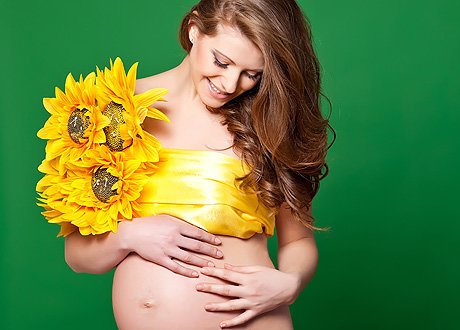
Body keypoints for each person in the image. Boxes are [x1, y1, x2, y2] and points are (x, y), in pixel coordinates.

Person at [64, 0, 333, 328]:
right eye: (222, 61)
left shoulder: (268, 123)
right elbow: (77, 256)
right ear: (194, 30)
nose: (231, 84)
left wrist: (289, 284)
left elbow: (299, 241)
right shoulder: (112, 114)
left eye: (252, 74)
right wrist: (128, 236)